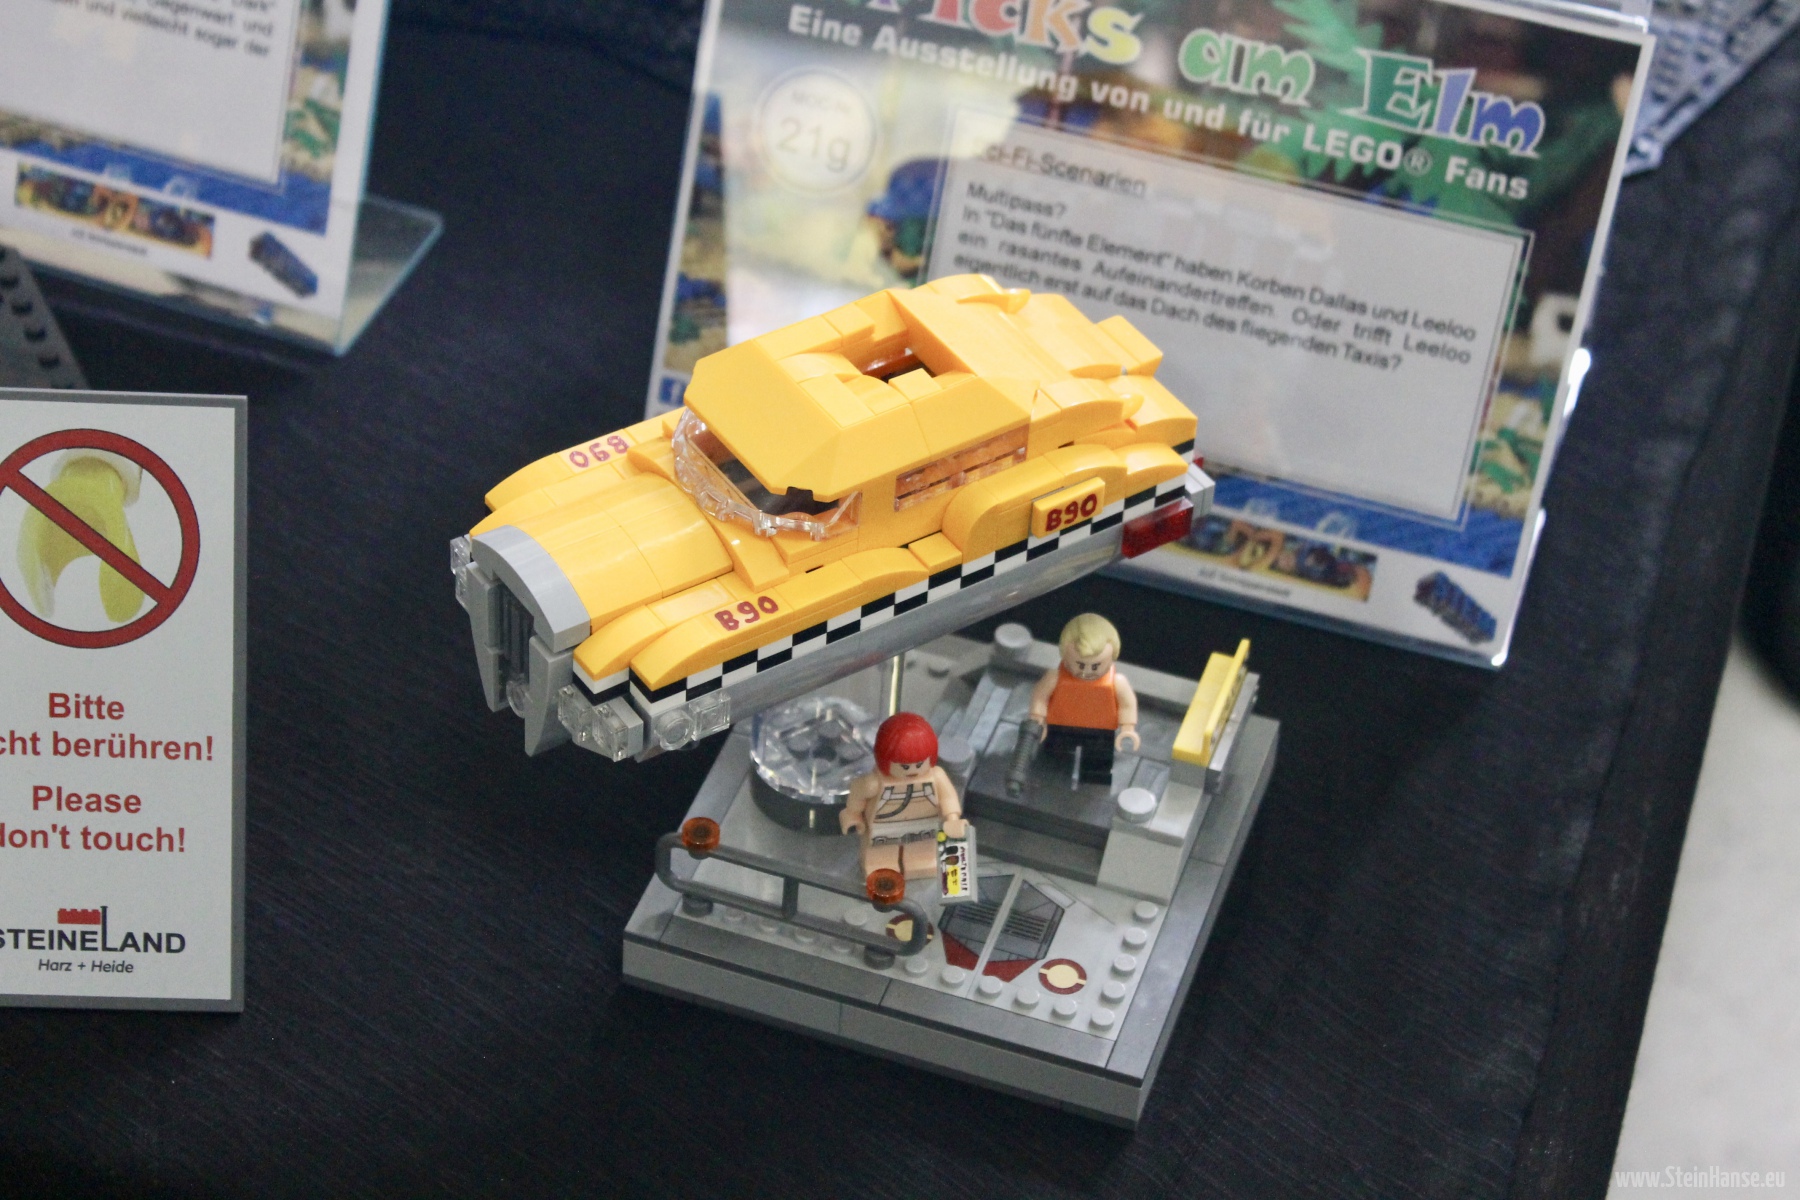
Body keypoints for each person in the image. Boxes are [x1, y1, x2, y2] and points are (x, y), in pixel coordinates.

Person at [841, 713, 966, 883]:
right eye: (905, 767)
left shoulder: (936, 777)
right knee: (881, 855)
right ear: (885, 760)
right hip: (884, 828)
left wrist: (952, 818)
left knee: (921, 853)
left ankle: (920, 864)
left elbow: (948, 798)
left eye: (919, 764)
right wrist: (853, 814)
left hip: (924, 826)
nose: (913, 771)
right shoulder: (875, 783)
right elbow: (857, 793)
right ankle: (881, 866)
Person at [1027, 613, 1139, 785]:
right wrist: (1037, 720)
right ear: (1065, 655)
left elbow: (1127, 705)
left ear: (1112, 658)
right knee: (1053, 768)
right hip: (1060, 729)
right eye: (1080, 665)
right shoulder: (1054, 677)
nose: (1086, 672)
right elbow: (1040, 698)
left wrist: (1127, 728)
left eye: (1095, 666)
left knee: (1097, 770)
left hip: (1100, 734)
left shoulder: (1117, 682)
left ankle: (1094, 786)